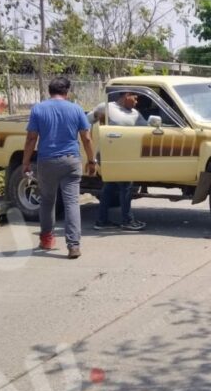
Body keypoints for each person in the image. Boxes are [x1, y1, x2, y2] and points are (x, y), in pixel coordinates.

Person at [22, 76, 98, 259]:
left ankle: (47, 239)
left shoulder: (38, 109)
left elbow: (31, 138)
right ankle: (73, 245)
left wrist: (25, 162)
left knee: (48, 201)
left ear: (49, 91)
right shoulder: (76, 109)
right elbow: (86, 138)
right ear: (67, 91)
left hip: (47, 161)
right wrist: (91, 160)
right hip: (71, 161)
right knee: (72, 202)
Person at [91, 90, 148, 231]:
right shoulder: (106, 107)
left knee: (109, 187)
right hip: (108, 155)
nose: (137, 101)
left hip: (124, 156)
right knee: (126, 186)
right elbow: (87, 121)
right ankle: (127, 220)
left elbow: (147, 129)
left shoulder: (135, 114)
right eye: (135, 97)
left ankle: (101, 221)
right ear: (126, 95)